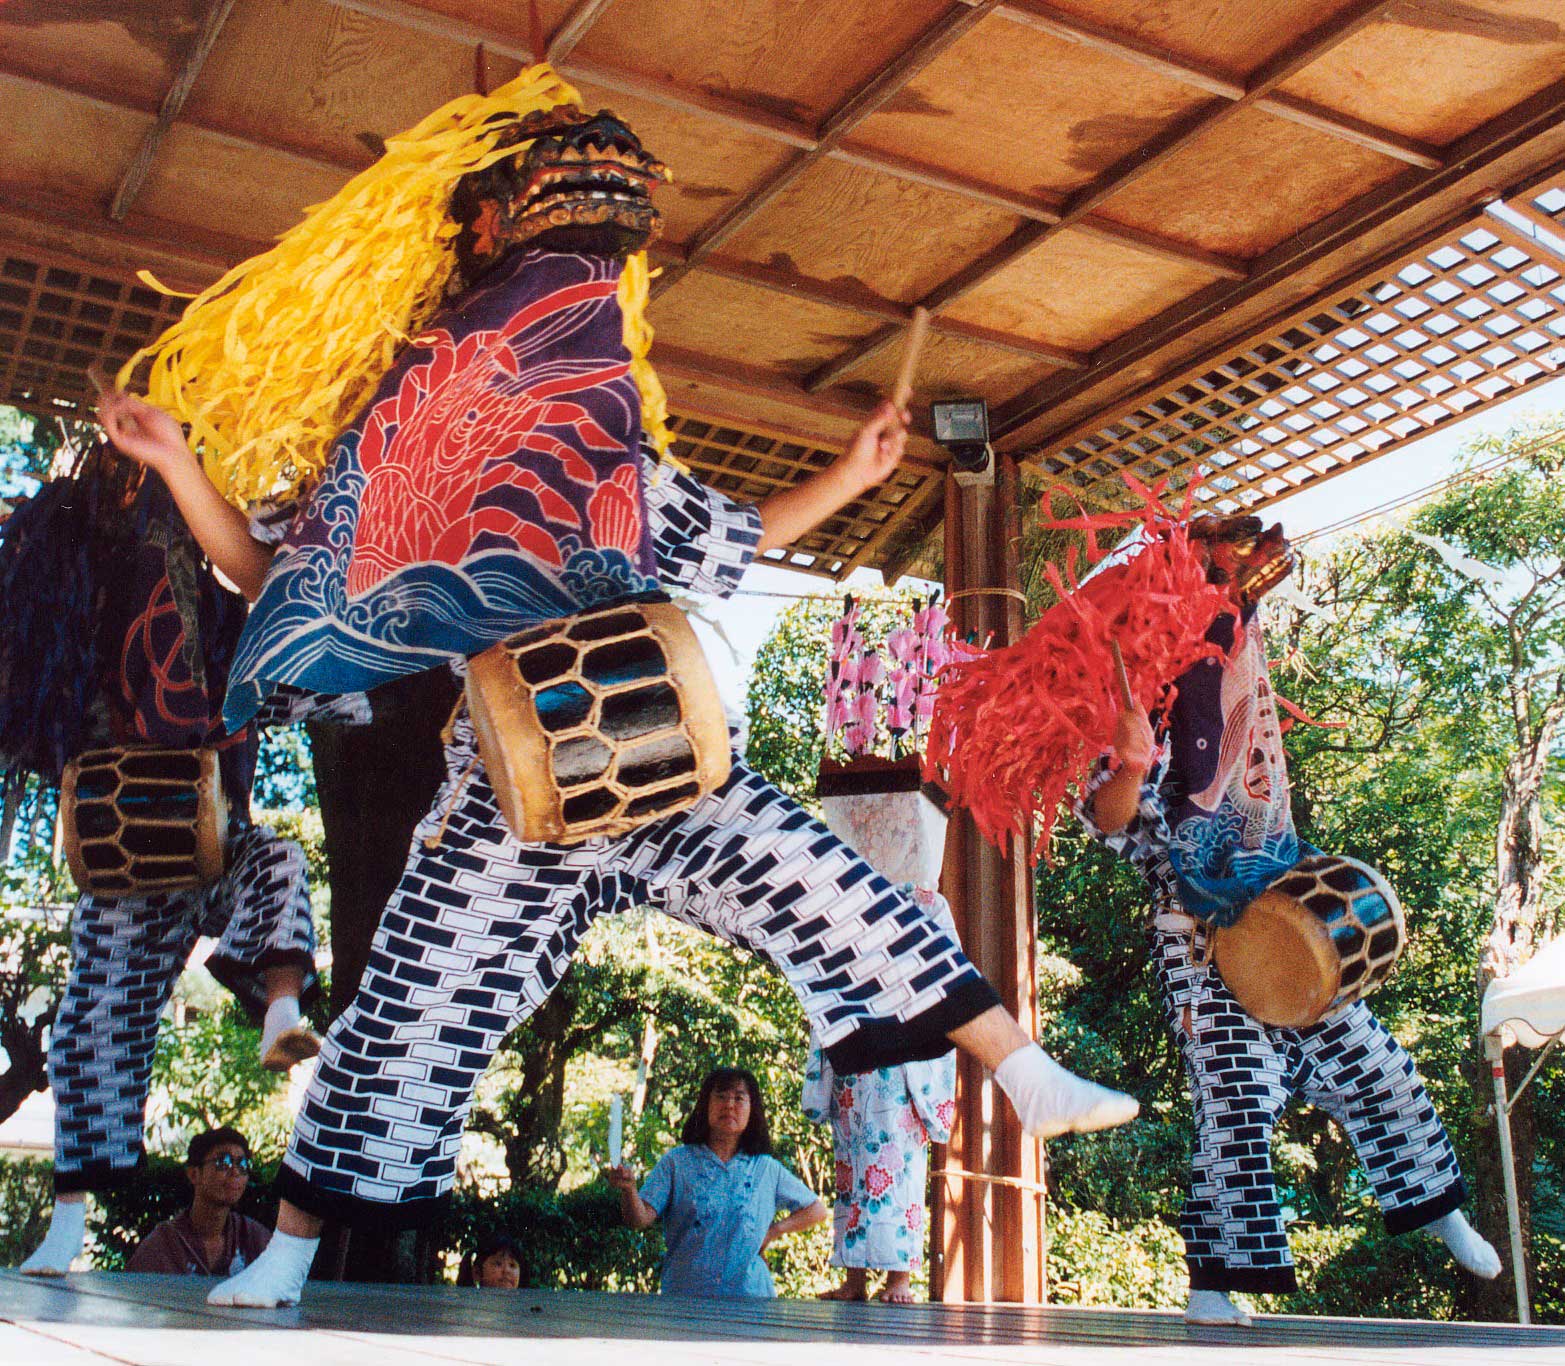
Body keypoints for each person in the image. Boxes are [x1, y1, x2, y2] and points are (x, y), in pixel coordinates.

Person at [94, 70, 1136, 1310]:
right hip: (509, 788)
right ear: (484, 243)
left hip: (650, 741)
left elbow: (727, 539)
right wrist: (172, 462)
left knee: (827, 880)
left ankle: (1019, 1069)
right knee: (402, 1013)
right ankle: (285, 1253)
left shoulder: (614, 444)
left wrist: (853, 476)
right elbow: (275, 571)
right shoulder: (404, 428)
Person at [1079, 515, 1500, 1326]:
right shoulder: (1124, 708)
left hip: (1287, 916)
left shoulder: (1232, 671)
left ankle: (1437, 1208)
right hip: (1198, 941)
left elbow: (1242, 624)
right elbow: (1107, 818)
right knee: (1234, 1098)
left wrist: (1230, 590)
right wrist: (1130, 763)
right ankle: (1212, 1281)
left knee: (1375, 1065)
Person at [11, 437, 340, 1279]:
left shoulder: (228, 592)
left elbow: (317, 679)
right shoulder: (72, 606)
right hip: (128, 866)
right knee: (89, 1028)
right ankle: (69, 1223)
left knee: (276, 863)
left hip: (213, 843)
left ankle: (278, 1009)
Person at [606, 1068, 826, 1298]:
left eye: (739, 1098)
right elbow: (638, 1219)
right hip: (685, 1301)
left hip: (752, 1302)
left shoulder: (766, 1168)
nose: (729, 1105)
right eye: (721, 1096)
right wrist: (629, 1189)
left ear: (753, 1110)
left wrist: (773, 1232)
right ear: (705, 1105)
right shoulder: (676, 1162)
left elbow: (816, 1209)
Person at [125, 1127, 271, 1276]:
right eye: (223, 1162)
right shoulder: (164, 1244)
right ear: (194, 1174)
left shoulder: (253, 1237)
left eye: (242, 1164)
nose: (235, 1172)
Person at [456, 1232, 522, 1289]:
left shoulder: (526, 1303)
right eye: (498, 1264)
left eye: (512, 1265)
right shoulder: (467, 1303)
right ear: (477, 1273)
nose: (507, 1270)